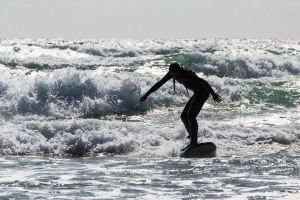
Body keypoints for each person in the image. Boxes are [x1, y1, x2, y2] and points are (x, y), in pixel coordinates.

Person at [140, 62, 222, 151]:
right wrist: (147, 94)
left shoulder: (186, 74)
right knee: (184, 116)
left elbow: (203, 81)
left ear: (180, 70)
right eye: (173, 75)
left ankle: (193, 142)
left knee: (191, 116)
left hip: (203, 92)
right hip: (197, 93)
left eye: (176, 74)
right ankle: (192, 137)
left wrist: (213, 94)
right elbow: (159, 83)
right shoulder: (171, 73)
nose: (175, 76)